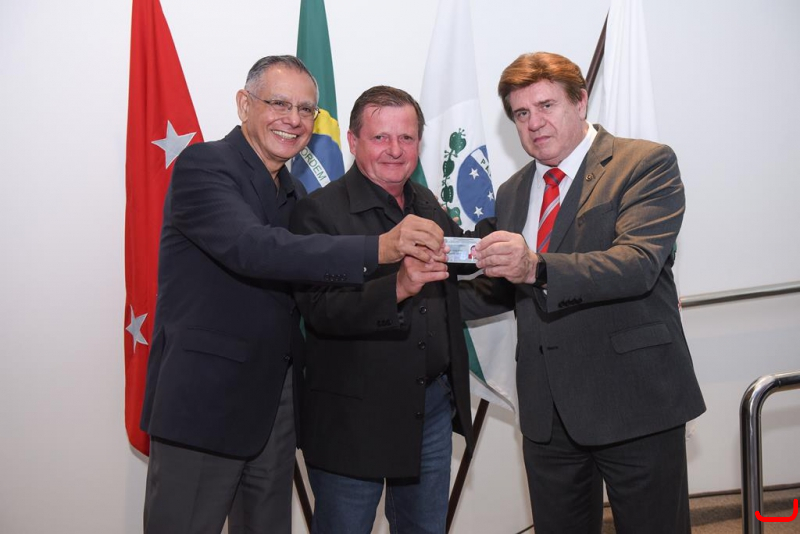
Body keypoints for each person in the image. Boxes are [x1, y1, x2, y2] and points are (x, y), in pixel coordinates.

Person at [139, 56, 445, 534]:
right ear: (244, 104)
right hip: (205, 403)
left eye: (306, 110)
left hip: (275, 407)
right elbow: (254, 249)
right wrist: (379, 249)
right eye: (279, 104)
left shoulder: (295, 192)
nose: (294, 119)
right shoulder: (204, 166)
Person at [466, 52, 706, 533]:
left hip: (635, 403)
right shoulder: (512, 191)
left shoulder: (644, 163)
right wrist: (416, 291)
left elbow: (636, 264)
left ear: (580, 101)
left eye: (546, 105)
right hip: (547, 414)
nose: (534, 123)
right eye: (521, 113)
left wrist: (536, 265)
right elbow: (505, 288)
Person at [289, 86, 475, 534]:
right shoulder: (317, 214)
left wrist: (498, 253)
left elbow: (453, 277)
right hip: (353, 420)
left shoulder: (427, 203)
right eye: (380, 138)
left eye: (406, 138)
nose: (395, 150)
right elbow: (320, 311)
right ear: (353, 142)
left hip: (429, 410)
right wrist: (398, 286)